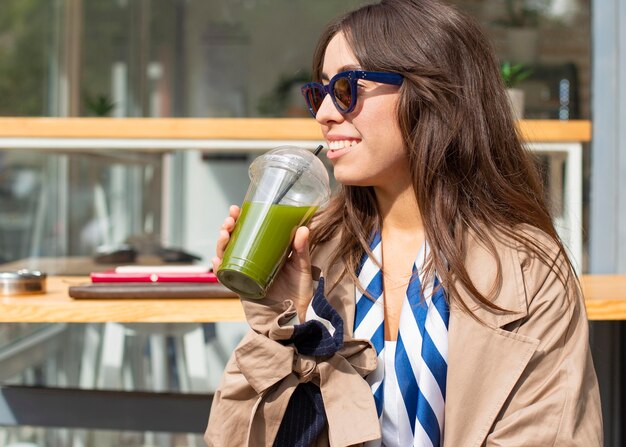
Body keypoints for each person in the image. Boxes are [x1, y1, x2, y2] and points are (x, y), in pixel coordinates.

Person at [205, 0, 603, 445]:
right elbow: (240, 436)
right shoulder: (315, 253)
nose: (323, 115)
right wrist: (288, 323)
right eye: (320, 94)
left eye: (346, 88)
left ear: (433, 93)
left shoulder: (527, 271)